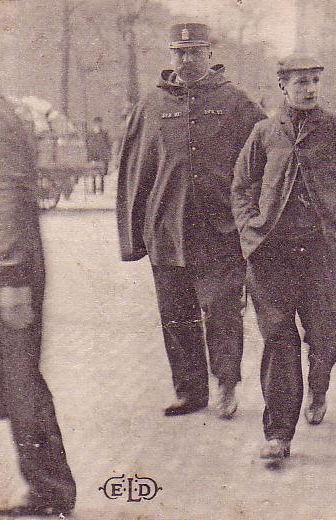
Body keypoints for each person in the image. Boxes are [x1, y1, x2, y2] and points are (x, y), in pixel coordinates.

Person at [116, 23, 265, 418]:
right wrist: (134, 235)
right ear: (170, 56)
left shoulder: (236, 102)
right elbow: (135, 171)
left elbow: (263, 159)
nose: (186, 59)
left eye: (195, 52)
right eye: (179, 52)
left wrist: (253, 221)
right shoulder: (150, 106)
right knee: (176, 314)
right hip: (167, 231)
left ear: (209, 55)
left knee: (222, 312)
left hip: (222, 230)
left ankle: (226, 384)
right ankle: (189, 390)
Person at [231, 54, 336, 460]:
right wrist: (250, 230)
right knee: (278, 338)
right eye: (300, 82)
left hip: (323, 254)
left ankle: (320, 383)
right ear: (282, 86)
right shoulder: (263, 132)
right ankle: (278, 434)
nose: (309, 89)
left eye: (314, 80)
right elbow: (241, 187)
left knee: (323, 335)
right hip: (271, 255)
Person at [0, 81, 76, 517]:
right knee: (17, 382)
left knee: (20, 383)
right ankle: (49, 486)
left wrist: (12, 277)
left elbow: (5, 201)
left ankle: (51, 490)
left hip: (1, 273)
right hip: (3, 268)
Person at [85, 115, 111, 194]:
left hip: (102, 155)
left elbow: (108, 144)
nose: (98, 124)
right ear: (94, 124)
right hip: (93, 155)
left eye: (99, 123)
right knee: (93, 173)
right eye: (96, 123)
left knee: (101, 173)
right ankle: (93, 189)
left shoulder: (104, 133)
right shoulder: (90, 133)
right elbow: (87, 144)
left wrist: (108, 155)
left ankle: (101, 189)